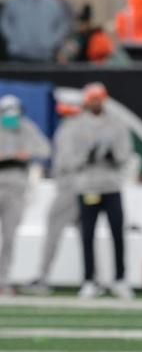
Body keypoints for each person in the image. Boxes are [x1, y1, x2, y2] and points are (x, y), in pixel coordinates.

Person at [69, 83, 134, 300]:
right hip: (87, 185)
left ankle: (120, 279)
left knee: (117, 233)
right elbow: (69, 157)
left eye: (99, 98)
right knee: (87, 234)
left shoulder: (117, 124)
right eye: (92, 99)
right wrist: (86, 157)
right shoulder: (76, 125)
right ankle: (89, 279)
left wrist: (113, 157)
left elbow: (126, 154)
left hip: (111, 185)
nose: (96, 102)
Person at [24, 97, 83, 295]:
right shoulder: (73, 126)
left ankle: (43, 277)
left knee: (53, 230)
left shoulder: (73, 128)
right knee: (86, 234)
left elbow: (67, 161)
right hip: (79, 185)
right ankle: (95, 279)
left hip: (70, 186)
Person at [0, 95, 51, 295]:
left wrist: (26, 153)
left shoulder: (26, 127)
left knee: (9, 236)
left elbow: (45, 149)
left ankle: (3, 279)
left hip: (16, 186)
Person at [0, 0, 69, 62]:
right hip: (19, 53)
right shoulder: (16, 1)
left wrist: (52, 42)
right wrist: (13, 39)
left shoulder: (53, 3)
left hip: (44, 54)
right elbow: (5, 21)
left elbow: (62, 25)